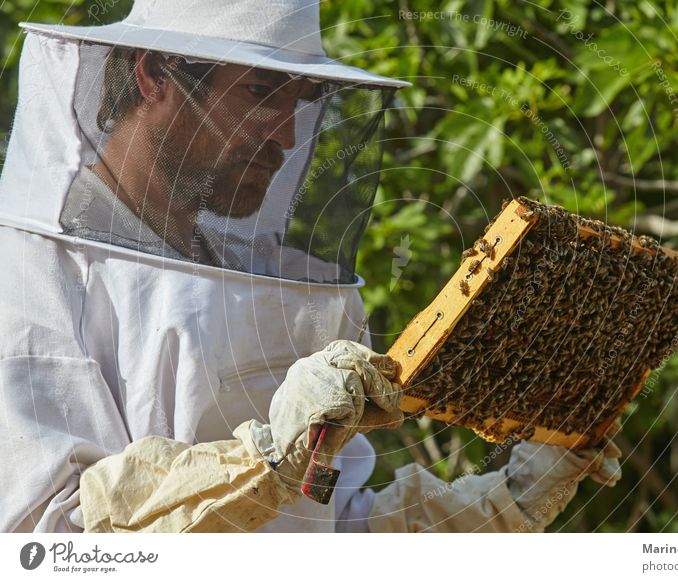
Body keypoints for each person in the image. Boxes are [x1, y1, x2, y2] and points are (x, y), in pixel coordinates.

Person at [0, 0, 620, 533]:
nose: (289, 135)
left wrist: (510, 497)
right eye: (261, 94)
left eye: (302, 100)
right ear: (155, 75)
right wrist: (267, 459)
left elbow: (325, 522)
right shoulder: (26, 277)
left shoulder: (259, 277)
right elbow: (47, 541)